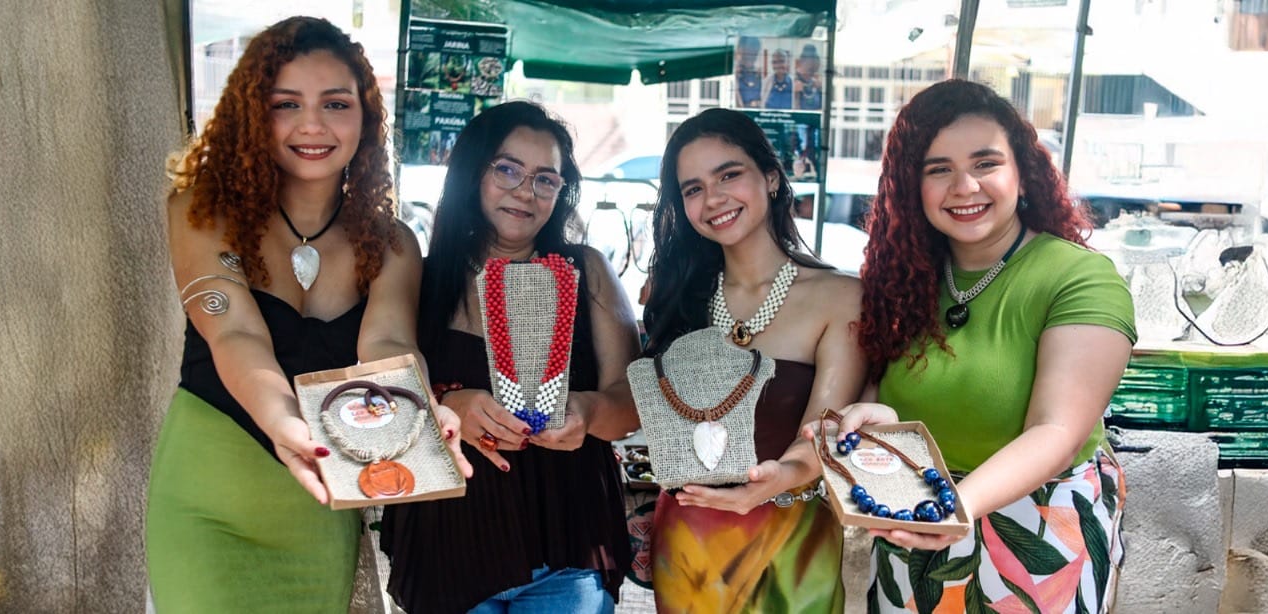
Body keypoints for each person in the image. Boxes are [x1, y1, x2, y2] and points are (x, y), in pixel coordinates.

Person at [145, 16, 470, 612]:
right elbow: (235, 332)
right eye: (286, 104)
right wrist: (285, 425)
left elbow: (387, 345)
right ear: (253, 115)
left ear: (366, 118)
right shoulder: (203, 211)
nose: (313, 124)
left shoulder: (392, 243)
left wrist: (417, 410)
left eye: (336, 104)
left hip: (319, 498)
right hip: (209, 495)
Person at [831, 79, 1135, 613]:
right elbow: (891, 396)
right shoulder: (907, 282)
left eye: (985, 163)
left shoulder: (1080, 277)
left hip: (1039, 538)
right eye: (938, 169)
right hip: (915, 537)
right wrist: (878, 419)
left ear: (1023, 173)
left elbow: (1057, 432)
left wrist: (956, 507)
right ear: (912, 186)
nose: (964, 186)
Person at [381, 100, 641, 613]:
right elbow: (380, 396)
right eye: (507, 169)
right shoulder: (420, 279)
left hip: (568, 546)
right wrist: (447, 405)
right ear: (472, 172)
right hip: (446, 547)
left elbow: (631, 404)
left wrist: (588, 412)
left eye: (546, 179)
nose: (526, 191)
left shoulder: (586, 271)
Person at [643, 107, 867, 612]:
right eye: (693, 188)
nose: (713, 198)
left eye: (728, 175)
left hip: (793, 542)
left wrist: (778, 478)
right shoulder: (675, 295)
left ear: (770, 177)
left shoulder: (840, 296)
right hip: (688, 540)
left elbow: (825, 430)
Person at [734, 36, 763, 108]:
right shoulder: (734, 74)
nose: (751, 59)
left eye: (754, 56)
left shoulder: (758, 75)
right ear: (739, 50)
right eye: (747, 56)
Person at [793, 44, 823, 111]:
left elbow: (823, 110)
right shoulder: (792, 83)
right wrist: (795, 95)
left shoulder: (816, 84)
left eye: (814, 71)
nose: (812, 74)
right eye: (810, 69)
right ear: (802, 62)